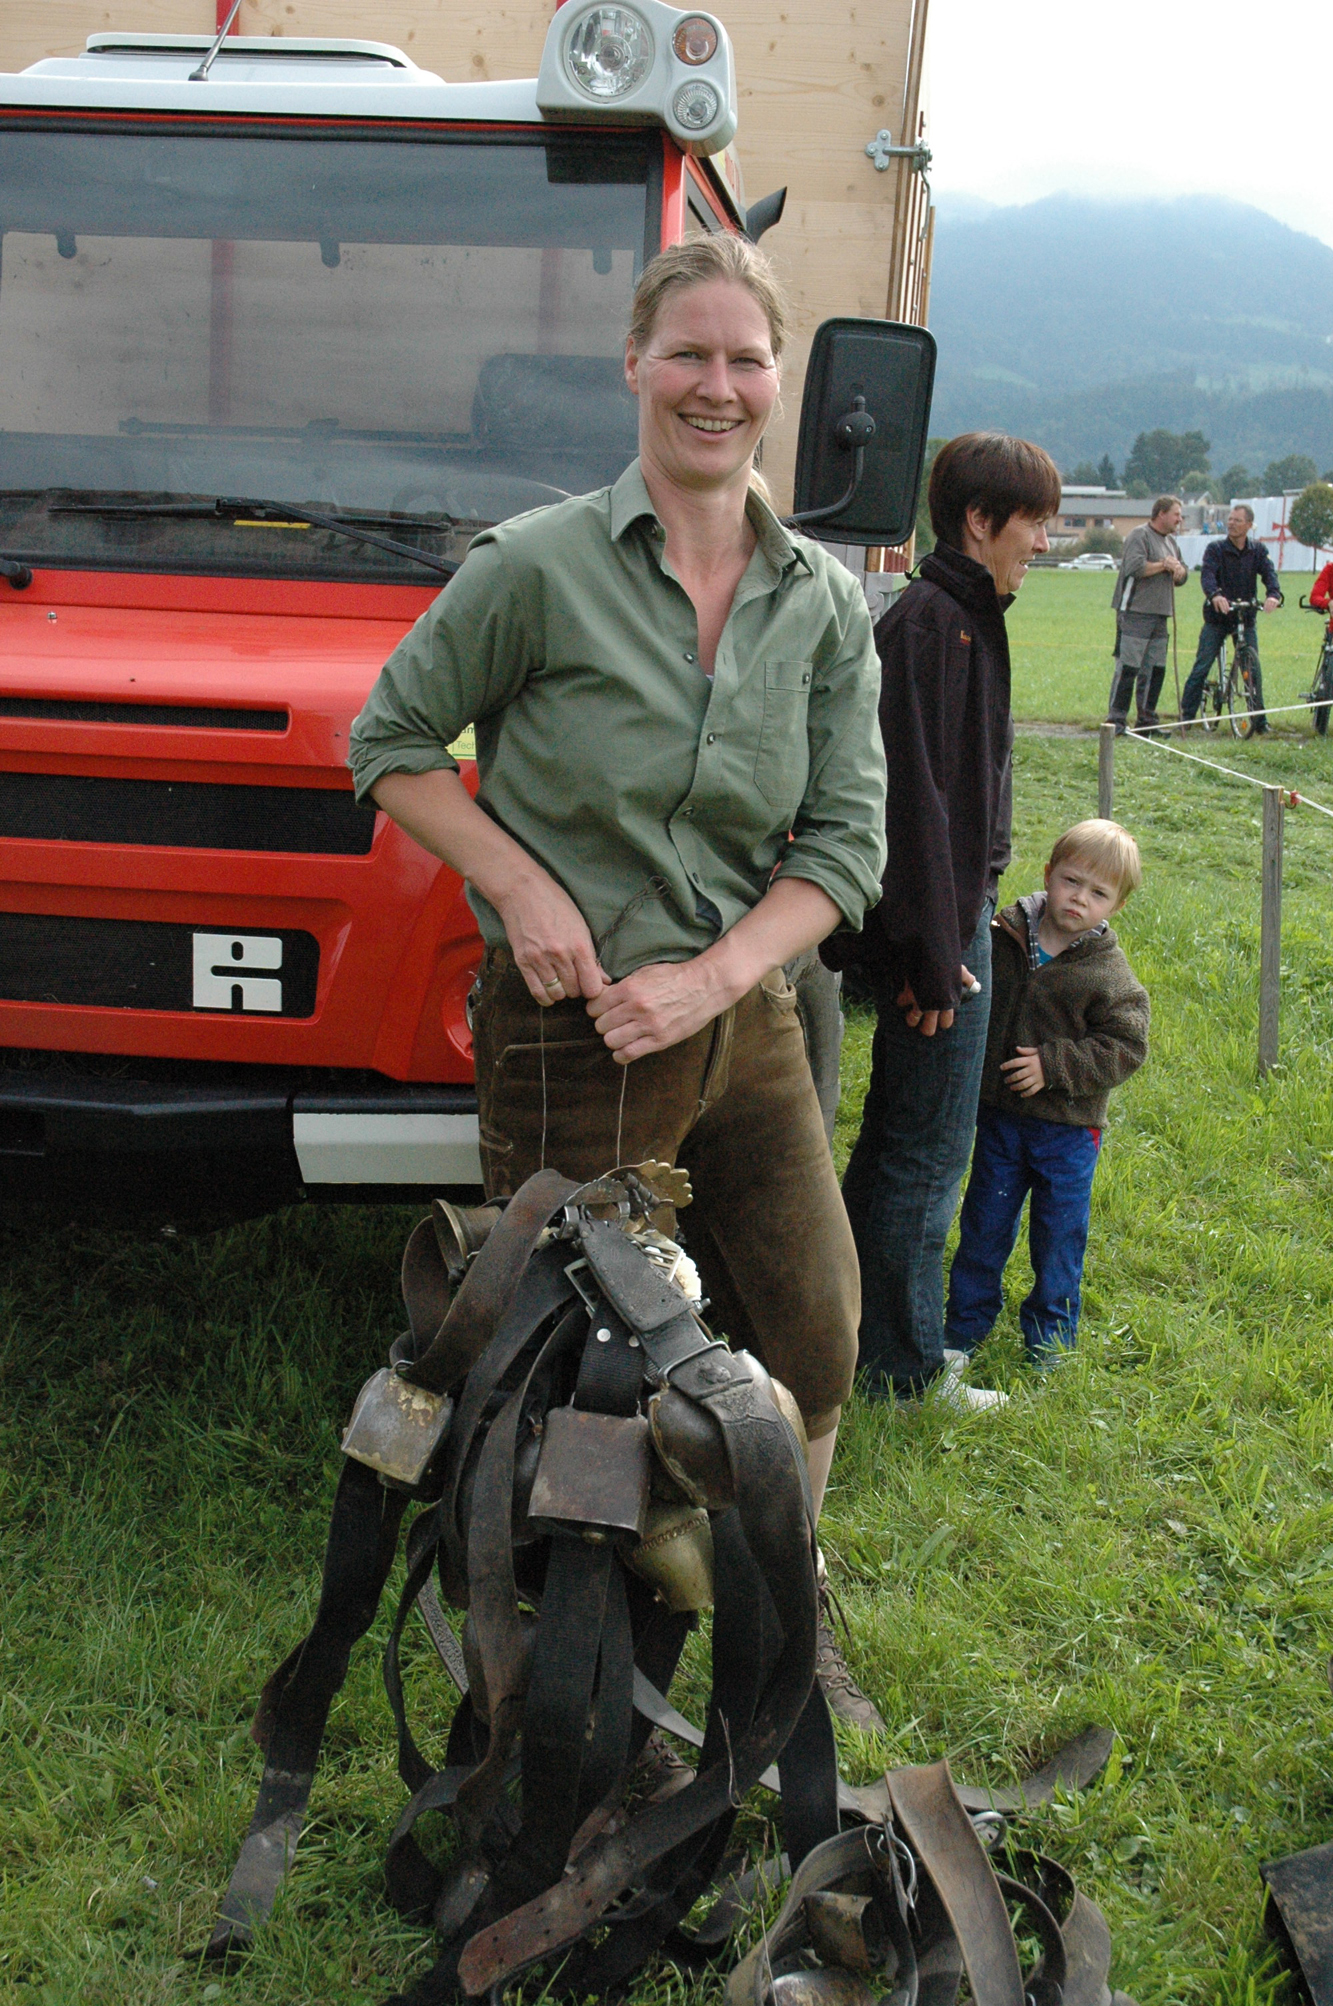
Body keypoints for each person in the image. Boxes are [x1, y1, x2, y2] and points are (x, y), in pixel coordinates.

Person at [348, 234, 890, 1727]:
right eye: (688, 353)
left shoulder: (821, 600)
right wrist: (521, 885)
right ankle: (569, 1692)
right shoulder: (533, 568)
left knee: (814, 1339)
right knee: (571, 1382)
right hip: (572, 1038)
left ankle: (783, 1613)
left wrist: (715, 979)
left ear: (778, 381)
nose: (717, 386)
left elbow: (845, 845)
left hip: (743, 1021)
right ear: (634, 365)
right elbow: (389, 743)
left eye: (745, 359)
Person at [832, 431, 1062, 1412]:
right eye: (1034, 522)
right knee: (925, 1153)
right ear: (978, 519)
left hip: (946, 923)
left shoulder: (959, 618)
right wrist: (932, 957)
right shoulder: (934, 626)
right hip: (942, 933)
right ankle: (902, 1368)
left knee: (900, 1138)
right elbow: (913, 809)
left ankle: (847, 1331)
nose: (1043, 543)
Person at [944, 820, 1149, 1366]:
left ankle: (1050, 1341)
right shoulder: (1001, 936)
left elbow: (1127, 1045)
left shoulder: (1107, 972)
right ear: (1048, 875)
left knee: (1059, 1236)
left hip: (1069, 1131)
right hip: (1000, 1119)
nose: (1079, 898)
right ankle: (963, 1330)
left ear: (1117, 905)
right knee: (983, 1225)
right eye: (1071, 881)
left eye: (1098, 893)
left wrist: (1054, 1064)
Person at [1180, 503, 1281, 730]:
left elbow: (1269, 574)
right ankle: (1186, 718)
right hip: (1218, 618)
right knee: (1202, 666)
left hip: (1245, 617)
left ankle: (1259, 722)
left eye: (1237, 520)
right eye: (1230, 519)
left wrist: (1273, 595)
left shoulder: (1258, 551)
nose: (1232, 524)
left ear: (1249, 525)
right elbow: (1207, 575)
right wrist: (1215, 595)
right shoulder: (1215, 549)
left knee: (1252, 671)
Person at [1107, 496, 1186, 732]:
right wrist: (1164, 565)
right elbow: (1134, 567)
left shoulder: (1171, 543)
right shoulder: (1139, 535)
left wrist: (1179, 571)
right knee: (1128, 668)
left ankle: (1147, 721)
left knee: (1155, 670)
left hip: (1161, 615)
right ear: (1161, 513)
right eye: (1176, 514)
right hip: (1135, 612)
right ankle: (1116, 721)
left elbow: (1182, 574)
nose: (1180, 519)